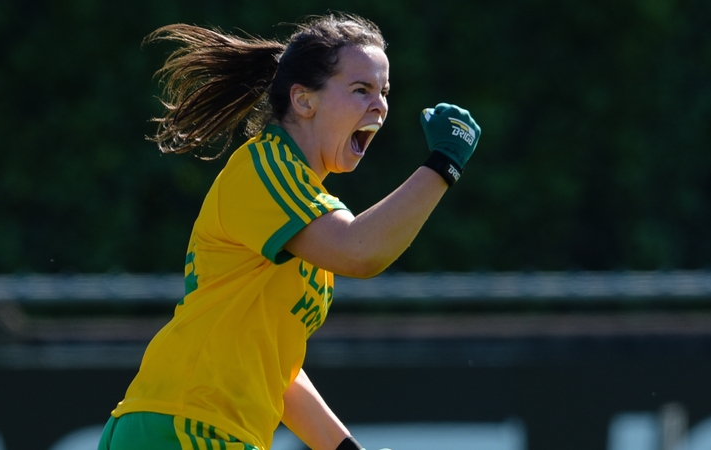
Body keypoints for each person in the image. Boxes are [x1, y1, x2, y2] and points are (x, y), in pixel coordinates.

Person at [98, 13, 481, 450]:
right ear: (303, 100)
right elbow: (360, 250)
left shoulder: (305, 211)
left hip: (188, 425)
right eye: (361, 90)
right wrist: (443, 164)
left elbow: (276, 368)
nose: (380, 106)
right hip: (188, 422)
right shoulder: (267, 168)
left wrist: (343, 447)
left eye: (384, 92)